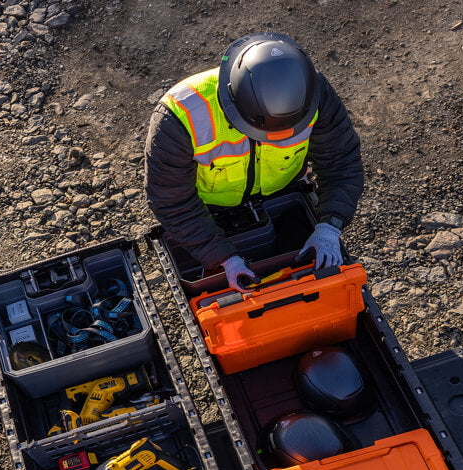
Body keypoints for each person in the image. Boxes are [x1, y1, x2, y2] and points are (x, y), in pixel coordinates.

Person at [144, 32, 364, 290]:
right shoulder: (180, 115)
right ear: (232, 105)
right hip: (204, 211)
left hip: (284, 194)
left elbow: (341, 163)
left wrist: (330, 225)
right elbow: (171, 200)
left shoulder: (314, 92)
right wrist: (221, 257)